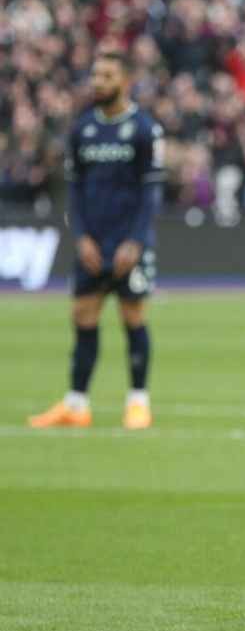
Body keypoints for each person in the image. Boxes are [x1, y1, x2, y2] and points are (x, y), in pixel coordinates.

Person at [27, 50, 163, 431]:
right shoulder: (82, 129)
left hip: (129, 243)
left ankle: (138, 401)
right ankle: (76, 404)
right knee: (82, 316)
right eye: (95, 75)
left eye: (106, 76)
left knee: (132, 316)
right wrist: (81, 237)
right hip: (92, 241)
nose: (98, 82)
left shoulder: (144, 129)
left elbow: (151, 194)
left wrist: (135, 241)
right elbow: (74, 191)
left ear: (126, 81)